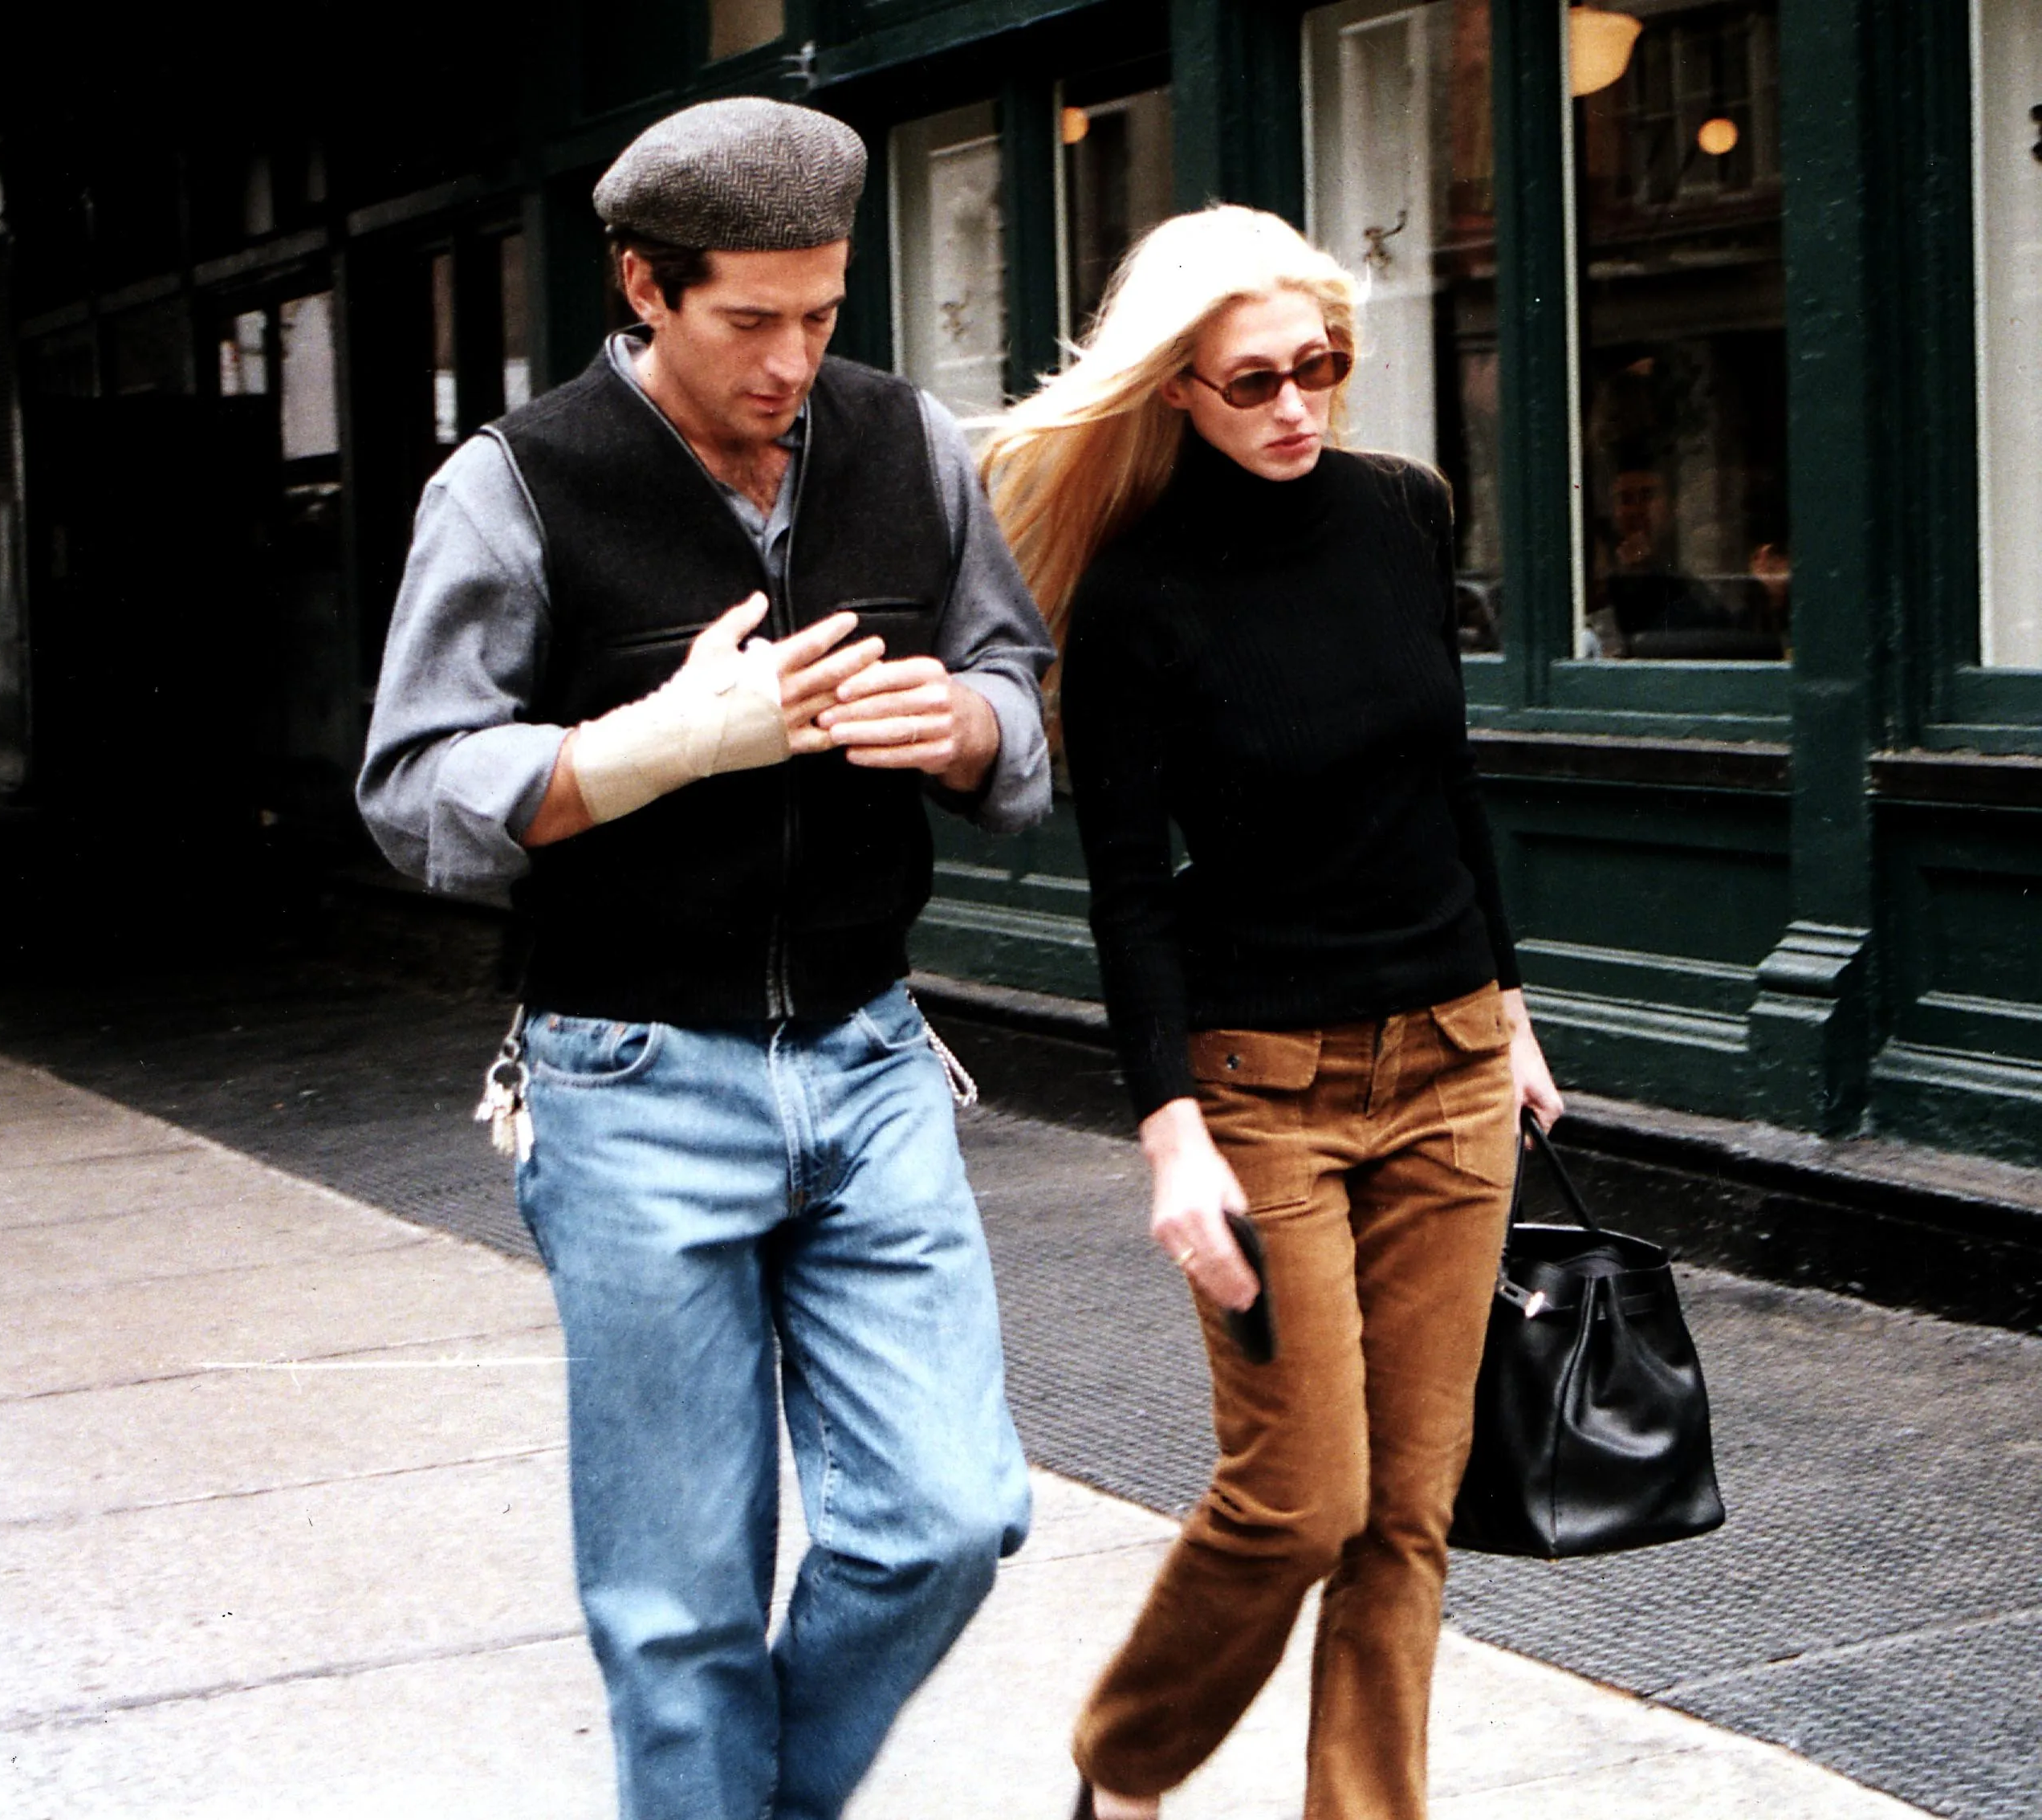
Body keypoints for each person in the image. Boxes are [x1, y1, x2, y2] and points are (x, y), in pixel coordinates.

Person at [356, 96, 1052, 1820]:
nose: (795, 361)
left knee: (949, 1515)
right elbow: (406, 784)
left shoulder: (915, 444)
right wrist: (658, 744)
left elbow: (1027, 714)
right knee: (676, 1608)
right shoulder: (515, 481)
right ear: (644, 288)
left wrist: (959, 722)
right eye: (751, 320)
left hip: (875, 1058)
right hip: (625, 1076)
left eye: (823, 316)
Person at [980, 206, 1564, 1820]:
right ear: (1175, 387)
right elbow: (1125, 890)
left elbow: (1446, 774)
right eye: (1253, 380)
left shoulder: (1398, 513)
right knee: (1297, 1496)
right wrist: (1168, 1128)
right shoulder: (1133, 597)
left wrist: (1505, 1003)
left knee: (1407, 1512)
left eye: (1321, 366)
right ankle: (1123, 1762)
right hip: (1261, 1090)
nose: (1295, 405)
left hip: (1447, 1063)